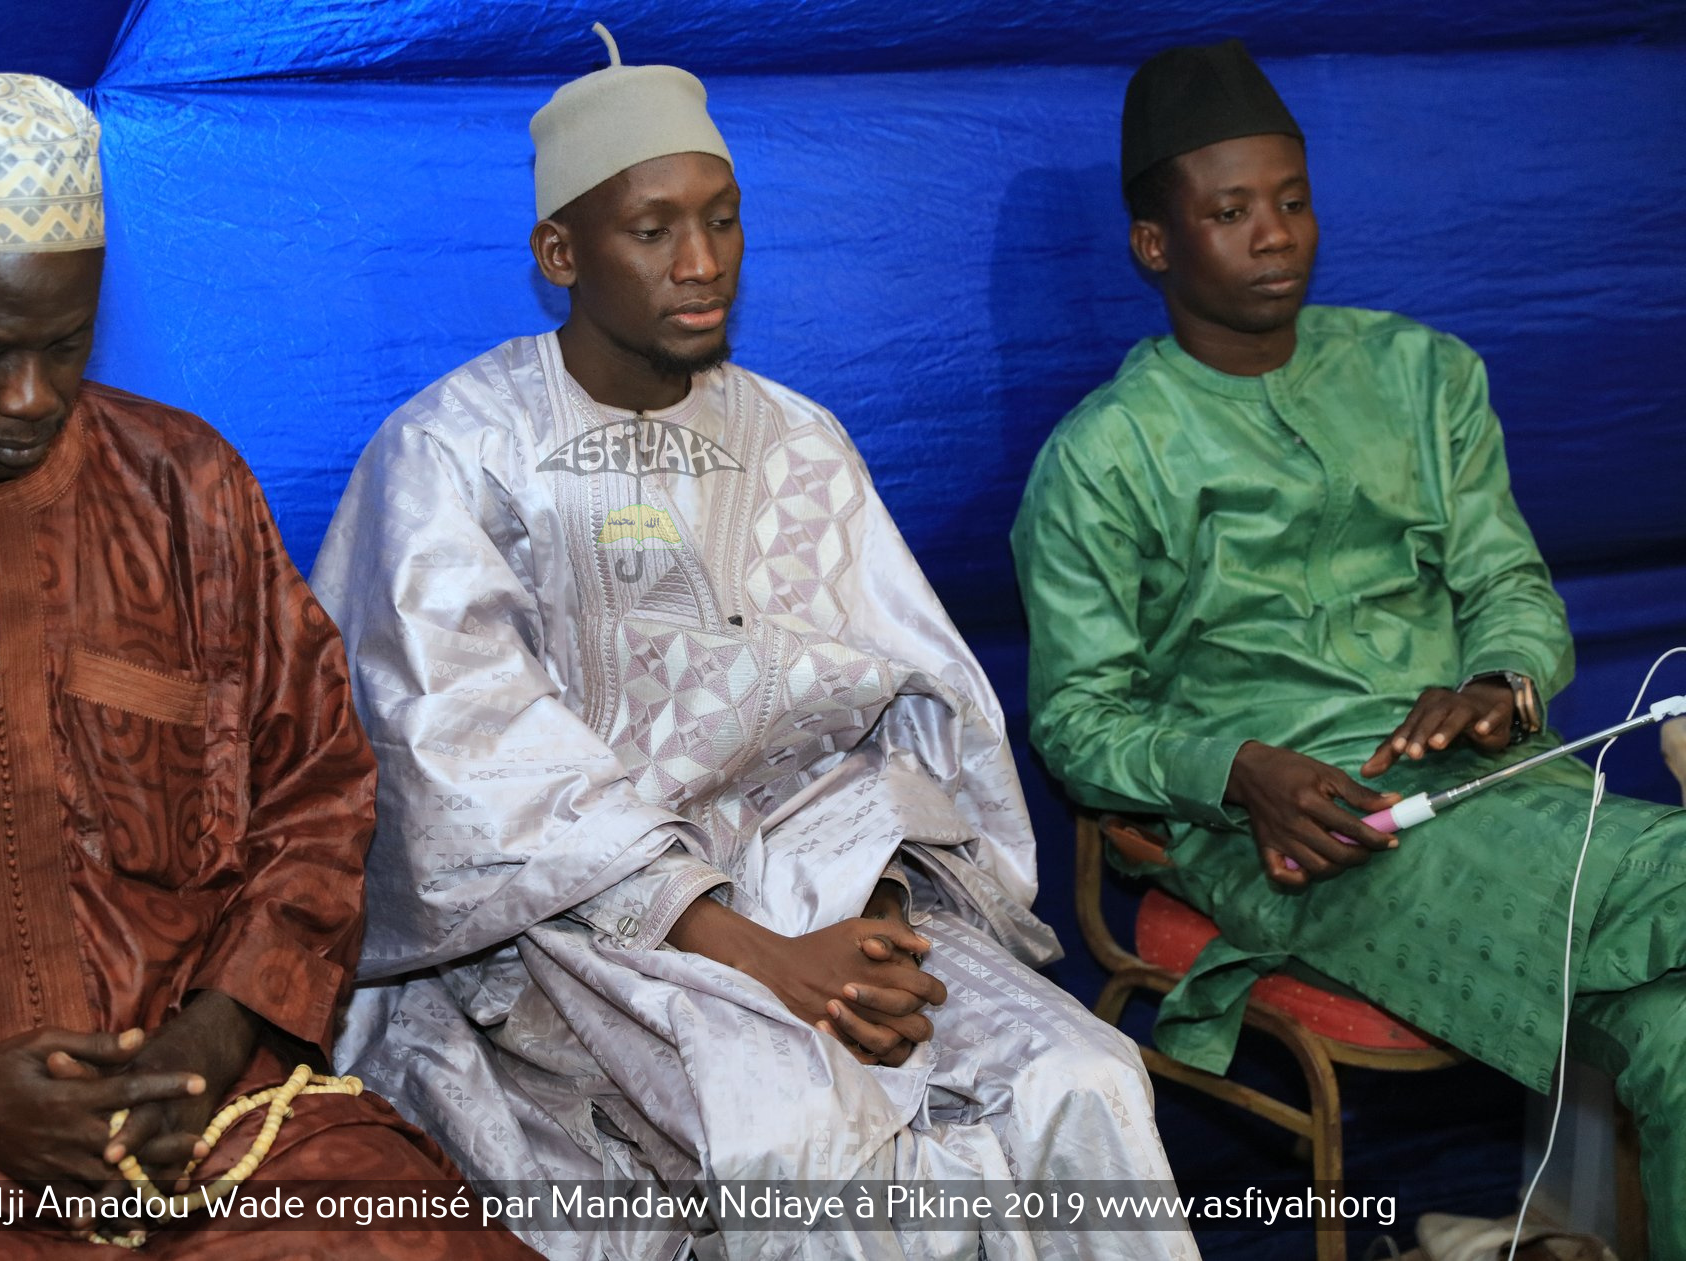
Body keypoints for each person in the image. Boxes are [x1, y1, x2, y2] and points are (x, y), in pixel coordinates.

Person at [313, 26, 1196, 1261]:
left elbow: (906, 713)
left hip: (827, 880)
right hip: (579, 928)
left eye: (722, 221)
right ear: (560, 253)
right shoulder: (454, 456)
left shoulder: (796, 442)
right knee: (805, 1146)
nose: (700, 263)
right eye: (652, 230)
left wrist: (873, 916)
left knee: (1084, 1078)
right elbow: (461, 780)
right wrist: (759, 956)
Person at [0, 73, 535, 1260]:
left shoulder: (185, 489)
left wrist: (211, 1040)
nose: (30, 397)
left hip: (205, 1118)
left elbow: (313, 795)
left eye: (65, 345)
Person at [1014, 40, 1684, 1252]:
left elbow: (1508, 584)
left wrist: (1499, 682)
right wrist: (1234, 770)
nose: (1273, 235)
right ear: (1153, 245)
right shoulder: (1103, 457)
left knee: (1677, 1036)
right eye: (1229, 213)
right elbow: (1075, 718)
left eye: (1290, 200)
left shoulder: (1422, 378)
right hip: (1304, 833)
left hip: (1495, 789)